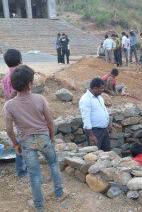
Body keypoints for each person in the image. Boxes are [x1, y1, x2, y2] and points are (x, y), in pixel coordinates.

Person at [3, 65, 66, 212]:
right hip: (44, 139)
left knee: (34, 174)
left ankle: (38, 206)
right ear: (30, 84)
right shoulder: (40, 99)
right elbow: (49, 121)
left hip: (26, 142)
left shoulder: (9, 105)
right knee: (53, 163)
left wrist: (15, 144)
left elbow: (9, 129)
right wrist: (51, 135)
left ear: (12, 85)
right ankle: (59, 193)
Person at [2, 49, 27, 179]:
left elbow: (6, 95)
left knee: (20, 138)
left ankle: (23, 169)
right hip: (21, 110)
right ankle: (23, 170)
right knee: (23, 139)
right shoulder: (19, 75)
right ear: (20, 60)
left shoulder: (6, 77)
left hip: (12, 110)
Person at [79, 78, 113, 151]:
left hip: (104, 130)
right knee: (97, 155)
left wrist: (109, 124)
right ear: (95, 88)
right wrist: (91, 135)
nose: (103, 90)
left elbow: (104, 111)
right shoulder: (86, 99)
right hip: (95, 132)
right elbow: (86, 119)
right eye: (101, 88)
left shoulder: (99, 97)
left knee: (107, 153)